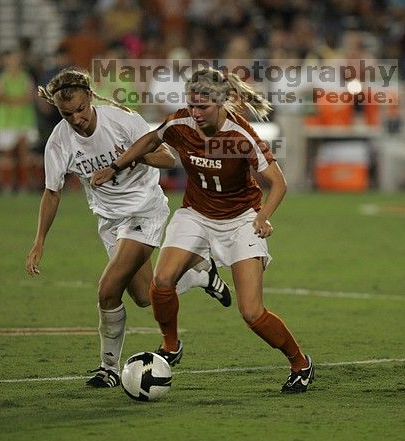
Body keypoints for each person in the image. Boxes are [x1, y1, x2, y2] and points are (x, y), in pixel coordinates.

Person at [91, 67, 315, 394]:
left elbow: (278, 183)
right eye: (192, 105)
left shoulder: (242, 135)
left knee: (251, 312)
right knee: (162, 282)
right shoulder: (181, 122)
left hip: (241, 220)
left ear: (222, 102)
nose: (195, 114)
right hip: (196, 214)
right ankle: (171, 345)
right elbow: (151, 139)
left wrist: (264, 217)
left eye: (203, 107)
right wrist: (116, 166)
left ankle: (300, 363)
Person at [26, 67, 232, 388]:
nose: (77, 118)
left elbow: (168, 158)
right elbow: (52, 192)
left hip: (144, 210)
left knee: (107, 290)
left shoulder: (121, 121)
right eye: (68, 114)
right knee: (145, 297)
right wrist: (39, 241)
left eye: (81, 109)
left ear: (90, 98)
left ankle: (108, 368)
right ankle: (199, 273)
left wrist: (134, 158)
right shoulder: (59, 142)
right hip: (110, 221)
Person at [0, 49, 37, 193]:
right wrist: (19, 101)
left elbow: (30, 96)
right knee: (7, 154)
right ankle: (7, 186)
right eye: (11, 60)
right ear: (6, 62)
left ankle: (23, 186)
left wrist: (11, 101)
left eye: (16, 60)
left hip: (24, 121)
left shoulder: (26, 78)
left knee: (24, 153)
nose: (13, 63)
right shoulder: (2, 78)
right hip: (6, 121)